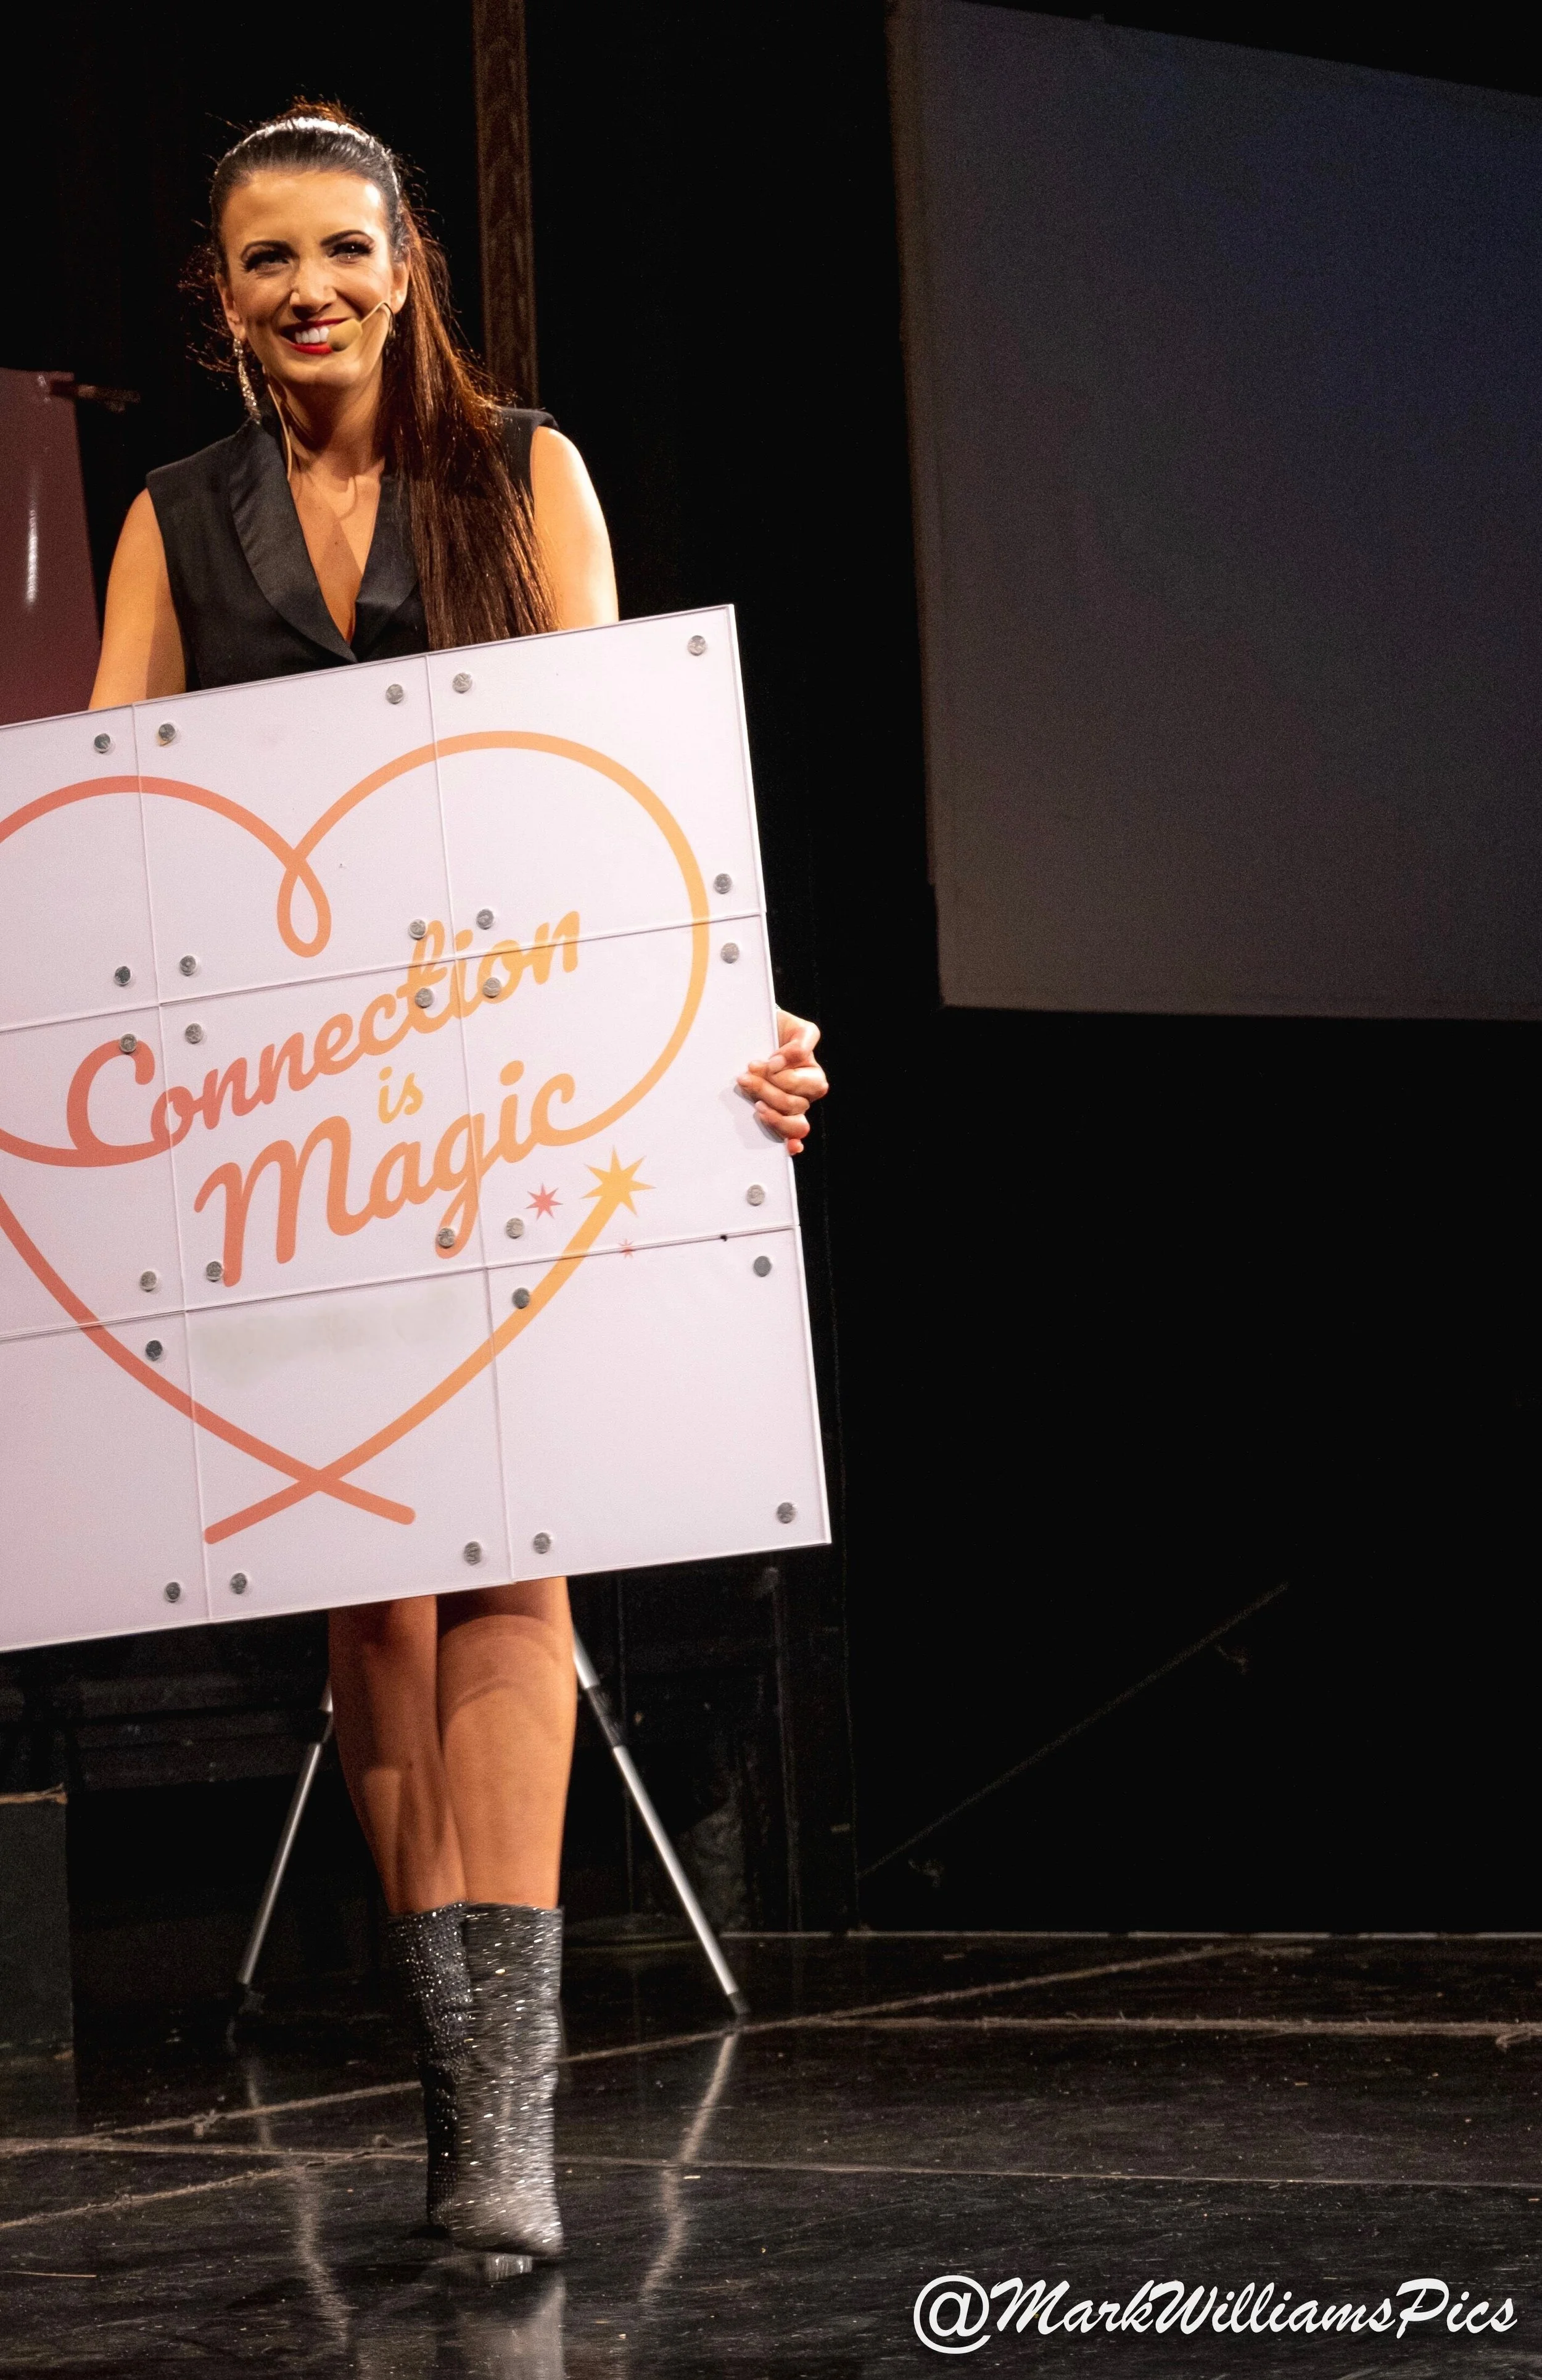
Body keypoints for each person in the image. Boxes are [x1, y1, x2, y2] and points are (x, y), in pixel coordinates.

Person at [89, 102, 828, 2258]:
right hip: (287, 1119)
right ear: (220, 302)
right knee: (372, 1598)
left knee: (512, 1567)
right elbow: (110, 850)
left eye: (340, 249)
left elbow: (628, 798)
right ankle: (451, 2091)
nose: (304, 291)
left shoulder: (524, 476)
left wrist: (733, 1030)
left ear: (409, 259)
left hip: (502, 1090)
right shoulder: (169, 519)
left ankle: (498, 2137)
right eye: (261, 266)